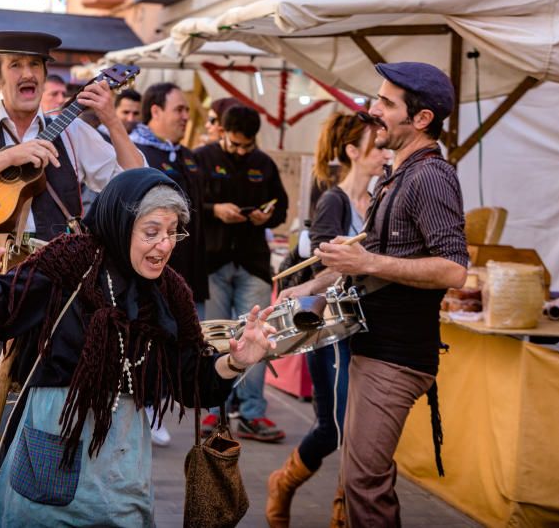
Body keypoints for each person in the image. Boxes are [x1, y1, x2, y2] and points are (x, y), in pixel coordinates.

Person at [0, 169, 278, 526]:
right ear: (121, 224)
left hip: (124, 457)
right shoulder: (71, 261)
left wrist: (234, 362)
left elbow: (191, 379)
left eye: (172, 232)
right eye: (152, 232)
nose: (165, 245)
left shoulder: (170, 292)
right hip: (54, 437)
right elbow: (0, 315)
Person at [280, 62, 468, 527]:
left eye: (386, 103)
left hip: (397, 357)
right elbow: (365, 264)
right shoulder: (396, 175)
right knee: (360, 474)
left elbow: (454, 269)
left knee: (365, 482)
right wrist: (303, 289)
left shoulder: (430, 176)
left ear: (421, 119)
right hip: (374, 348)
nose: (372, 110)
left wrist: (365, 262)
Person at [266, 112, 387, 527]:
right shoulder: (333, 199)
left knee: (362, 433)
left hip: (373, 329)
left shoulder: (382, 199)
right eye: (379, 147)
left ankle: (343, 514)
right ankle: (283, 483)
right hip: (332, 327)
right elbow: (328, 265)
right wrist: (315, 284)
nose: (386, 154)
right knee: (334, 427)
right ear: (354, 152)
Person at [0, 30, 144, 241]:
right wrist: (9, 157)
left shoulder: (72, 132)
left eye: (35, 64)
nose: (28, 73)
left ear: (44, 76)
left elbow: (135, 187)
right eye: (15, 65)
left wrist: (113, 122)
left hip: (57, 272)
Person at [195, 104, 289, 441]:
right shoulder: (201, 158)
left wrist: (269, 216)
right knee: (216, 339)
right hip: (213, 263)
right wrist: (214, 210)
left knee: (258, 337)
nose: (240, 151)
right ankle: (213, 412)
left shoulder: (263, 164)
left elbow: (281, 205)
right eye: (234, 144)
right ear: (221, 130)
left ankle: (252, 413)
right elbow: (186, 206)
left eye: (246, 146)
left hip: (253, 263)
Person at [128, 83, 207, 447]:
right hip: (150, 269)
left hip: (185, 267)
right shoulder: (135, 152)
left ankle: (157, 404)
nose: (185, 117)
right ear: (155, 111)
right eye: (179, 109)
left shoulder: (188, 156)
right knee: (149, 337)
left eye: (186, 111)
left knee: (178, 339)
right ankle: (143, 405)